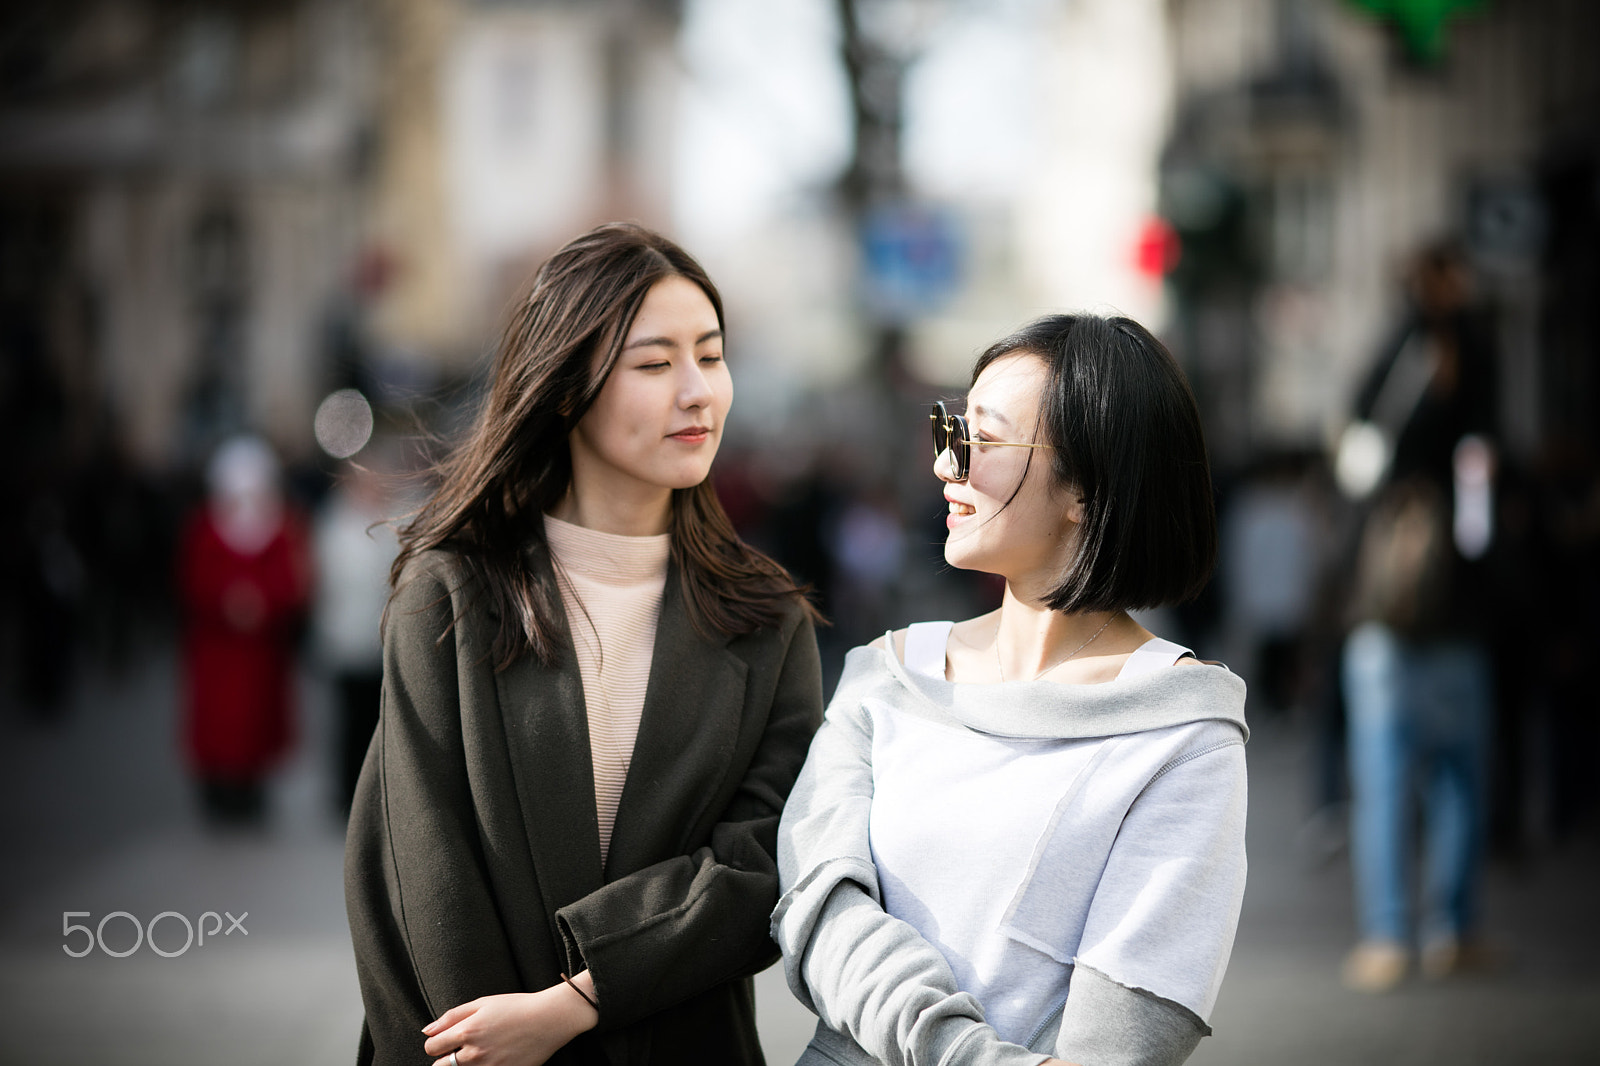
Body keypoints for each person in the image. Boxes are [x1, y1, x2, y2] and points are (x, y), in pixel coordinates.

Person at [344, 222, 824, 1066]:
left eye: (711, 357)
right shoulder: (453, 595)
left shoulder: (765, 618)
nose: (698, 392)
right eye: (654, 363)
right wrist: (494, 1038)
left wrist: (574, 1003)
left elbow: (762, 866)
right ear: (566, 389)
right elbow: (421, 871)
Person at [774, 314, 1248, 1066]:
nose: (944, 466)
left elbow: (1128, 1031)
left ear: (1087, 491)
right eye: (947, 429)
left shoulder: (1185, 734)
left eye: (982, 441)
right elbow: (816, 903)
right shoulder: (885, 675)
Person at [1338, 242, 1498, 992]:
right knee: (1457, 773)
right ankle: (1447, 929)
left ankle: (1391, 935)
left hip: (1386, 606)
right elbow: (1488, 478)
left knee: (1387, 774)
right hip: (1452, 608)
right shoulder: (1467, 356)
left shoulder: (1392, 359)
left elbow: (1357, 439)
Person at [178, 434, 312, 827]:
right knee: (217, 725)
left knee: (257, 724)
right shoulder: (204, 528)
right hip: (216, 650)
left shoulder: (282, 527)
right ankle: (217, 793)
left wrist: (261, 605)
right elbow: (192, 582)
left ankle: (251, 794)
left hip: (262, 652)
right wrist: (226, 602)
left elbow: (293, 583)